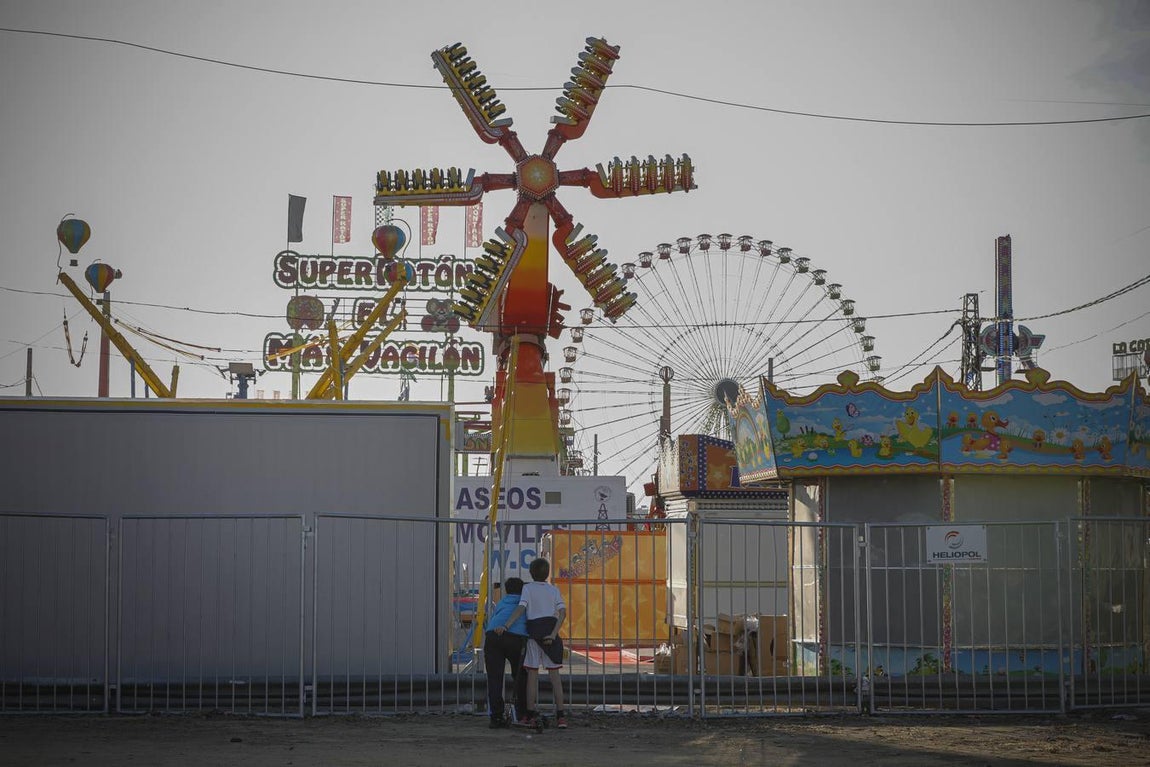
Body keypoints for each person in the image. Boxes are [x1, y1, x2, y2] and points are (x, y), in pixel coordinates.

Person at [496, 557, 567, 729]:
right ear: (548, 573)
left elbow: (521, 608)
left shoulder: (527, 589)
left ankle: (529, 713)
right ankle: (561, 716)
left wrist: (506, 625)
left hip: (533, 636)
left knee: (532, 677)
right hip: (550, 635)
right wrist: (552, 634)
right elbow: (563, 613)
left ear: (531, 573)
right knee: (555, 678)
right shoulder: (554, 590)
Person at [483, 577, 528, 728]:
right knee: (520, 675)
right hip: (516, 637)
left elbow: (496, 617)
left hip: (493, 636)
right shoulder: (525, 601)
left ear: (507, 590)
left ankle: (496, 716)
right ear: (523, 590)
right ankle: (522, 713)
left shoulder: (502, 602)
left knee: (495, 678)